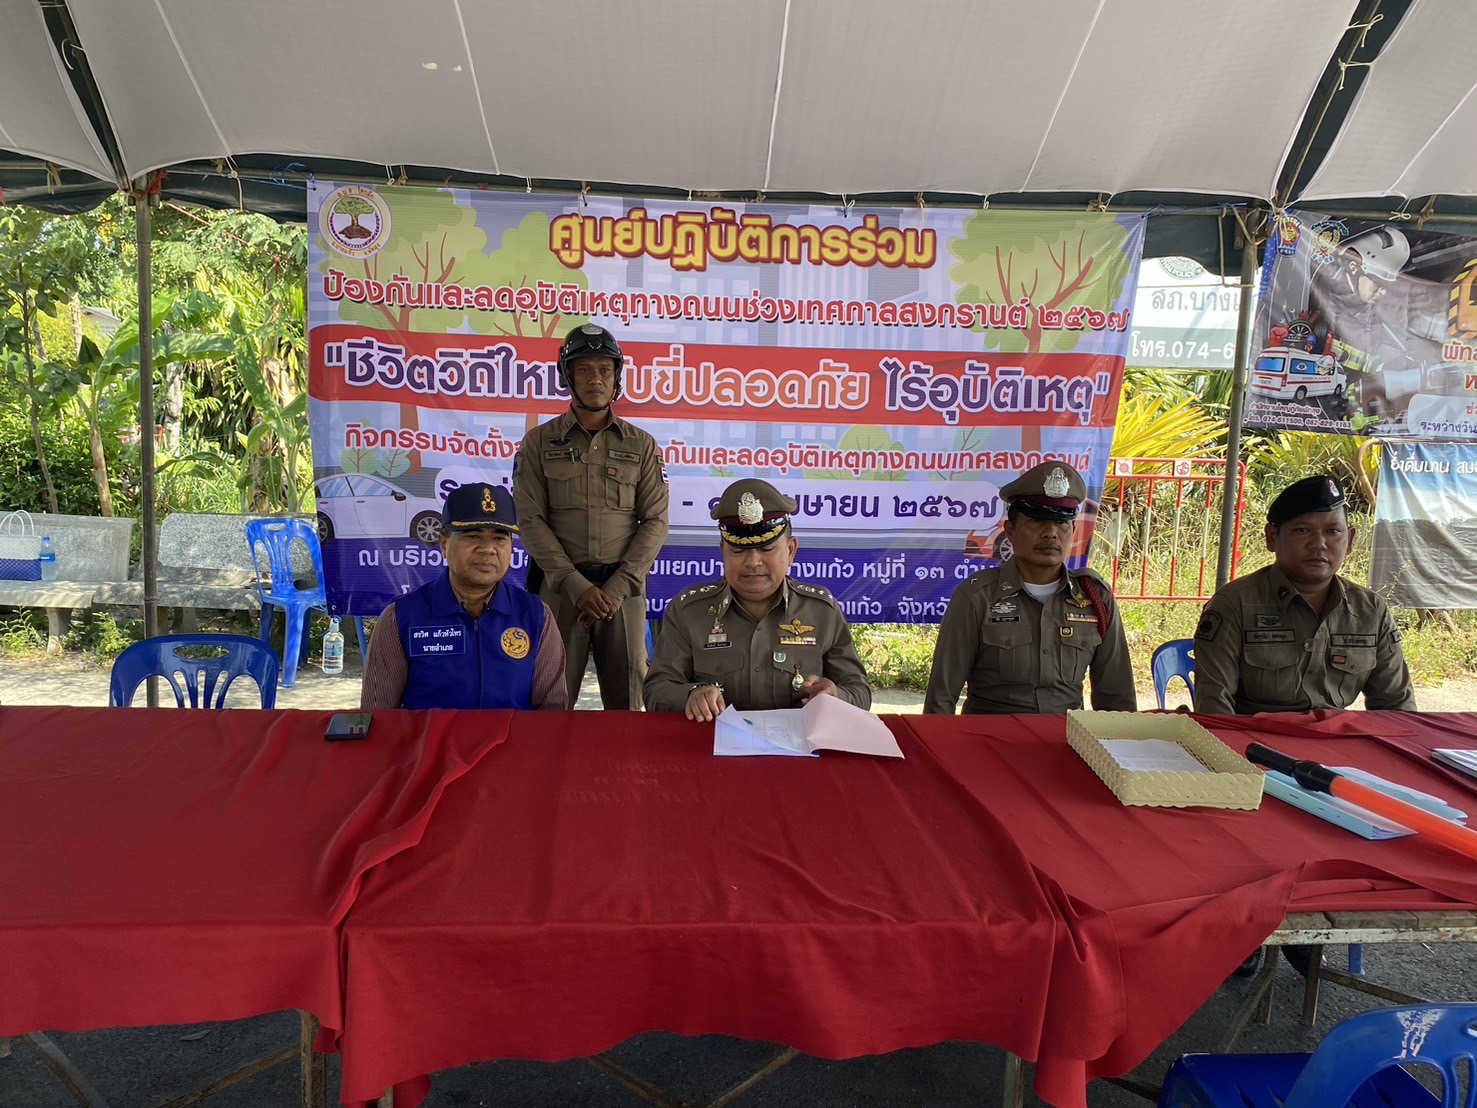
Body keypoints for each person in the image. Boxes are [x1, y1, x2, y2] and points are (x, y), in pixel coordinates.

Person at [514, 324, 670, 709]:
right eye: (583, 369)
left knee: (629, 702)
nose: (595, 379)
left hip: (623, 592)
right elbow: (530, 519)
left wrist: (617, 587)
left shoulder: (641, 444)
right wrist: (574, 585)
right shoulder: (539, 442)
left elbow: (655, 521)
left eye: (604, 369)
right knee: (551, 698)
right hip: (560, 591)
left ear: (617, 377)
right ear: (567, 376)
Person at [644, 478, 871, 720]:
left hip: (799, 741)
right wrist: (692, 694)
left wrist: (836, 696)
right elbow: (656, 690)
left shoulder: (821, 611)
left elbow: (859, 691)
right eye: (738, 550)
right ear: (723, 552)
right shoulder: (689, 612)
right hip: (714, 740)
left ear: (791, 551)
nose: (753, 562)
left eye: (766, 549)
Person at [923, 461, 1135, 714]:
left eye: (1061, 522)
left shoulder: (1095, 598)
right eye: (1037, 520)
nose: (1051, 533)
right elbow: (941, 699)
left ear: (1073, 530)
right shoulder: (977, 598)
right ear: (1010, 530)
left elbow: (1117, 700)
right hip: (993, 735)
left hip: (1066, 734)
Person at [1194, 474, 1415, 715]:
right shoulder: (1235, 604)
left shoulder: (1370, 610)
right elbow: (1214, 708)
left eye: (1333, 531)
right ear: (1272, 537)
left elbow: (1398, 707)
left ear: (1350, 540)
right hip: (1257, 735)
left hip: (1335, 735)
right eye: (1302, 530)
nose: (1319, 543)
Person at [360, 482, 567, 711]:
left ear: (511, 547)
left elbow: (552, 714)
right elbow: (376, 715)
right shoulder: (400, 618)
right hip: (429, 737)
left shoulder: (537, 617)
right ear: (444, 543)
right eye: (473, 536)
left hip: (515, 737)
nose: (487, 549)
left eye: (499, 538)